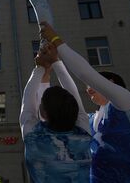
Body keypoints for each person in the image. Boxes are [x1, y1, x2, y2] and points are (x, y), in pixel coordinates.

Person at [40, 22, 130, 182]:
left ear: (111, 82)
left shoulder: (127, 103)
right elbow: (72, 95)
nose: (88, 88)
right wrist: (55, 62)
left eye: (93, 84)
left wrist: (55, 39)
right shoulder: (92, 119)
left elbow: (85, 73)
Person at [20, 43, 91, 182]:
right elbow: (73, 93)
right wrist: (54, 62)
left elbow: (28, 98)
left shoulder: (33, 136)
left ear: (44, 114)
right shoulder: (83, 133)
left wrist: (42, 66)